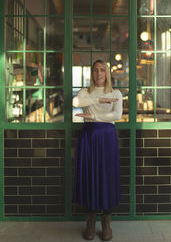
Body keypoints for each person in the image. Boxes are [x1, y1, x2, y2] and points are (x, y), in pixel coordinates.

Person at [72, 60, 123, 241]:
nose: (99, 74)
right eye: (95, 70)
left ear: (107, 73)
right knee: (89, 175)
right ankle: (90, 222)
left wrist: (92, 115)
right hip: (89, 138)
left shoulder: (116, 93)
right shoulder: (85, 92)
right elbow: (76, 102)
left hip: (108, 138)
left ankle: (106, 223)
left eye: (102, 70)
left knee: (106, 176)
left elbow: (116, 115)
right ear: (92, 73)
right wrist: (100, 100)